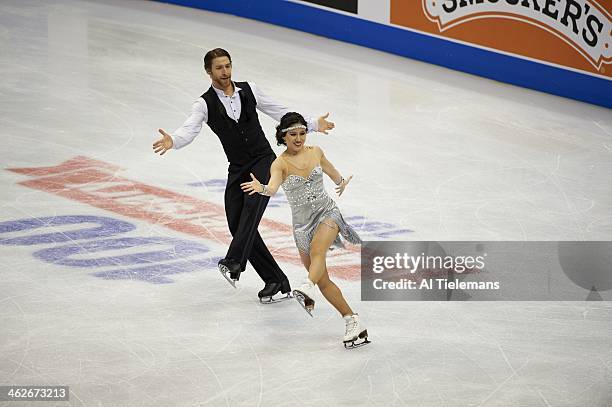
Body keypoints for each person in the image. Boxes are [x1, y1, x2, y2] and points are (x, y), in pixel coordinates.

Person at [152, 48, 335, 303]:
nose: (225, 72)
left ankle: (234, 261)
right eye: (219, 68)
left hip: (263, 161)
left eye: (228, 66)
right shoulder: (204, 103)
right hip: (237, 167)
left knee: (251, 208)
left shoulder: (250, 90)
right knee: (236, 222)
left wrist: (313, 124)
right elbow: (190, 128)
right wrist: (174, 140)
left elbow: (279, 111)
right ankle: (276, 281)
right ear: (209, 71)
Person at [240, 112, 370, 348]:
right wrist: (261, 187)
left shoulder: (316, 152)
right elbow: (271, 189)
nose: (299, 138)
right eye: (293, 134)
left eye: (302, 133)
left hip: (327, 213)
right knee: (324, 280)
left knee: (318, 252)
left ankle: (305, 286)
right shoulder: (279, 163)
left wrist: (341, 182)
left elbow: (331, 170)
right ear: (283, 136)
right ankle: (353, 321)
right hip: (302, 226)